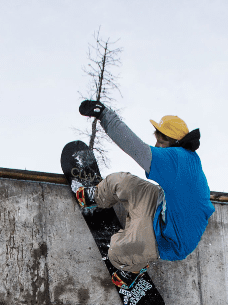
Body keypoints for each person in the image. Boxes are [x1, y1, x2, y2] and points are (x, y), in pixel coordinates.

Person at [77, 100, 214, 274]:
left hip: (169, 239)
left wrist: (104, 114)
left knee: (116, 253)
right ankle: (95, 196)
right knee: (120, 181)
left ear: (174, 142)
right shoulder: (184, 158)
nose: (157, 146)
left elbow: (135, 147)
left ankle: (134, 267)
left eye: (161, 142)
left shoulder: (177, 160)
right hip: (162, 207)